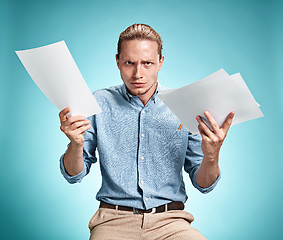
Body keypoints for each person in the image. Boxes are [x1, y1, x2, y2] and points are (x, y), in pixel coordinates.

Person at [59, 23, 235, 240]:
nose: (137, 73)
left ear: (161, 62)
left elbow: (204, 185)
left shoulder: (186, 106)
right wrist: (75, 144)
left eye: (147, 63)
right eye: (129, 63)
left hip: (171, 222)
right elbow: (74, 174)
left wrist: (212, 153)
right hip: (113, 221)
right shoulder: (97, 102)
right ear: (117, 62)